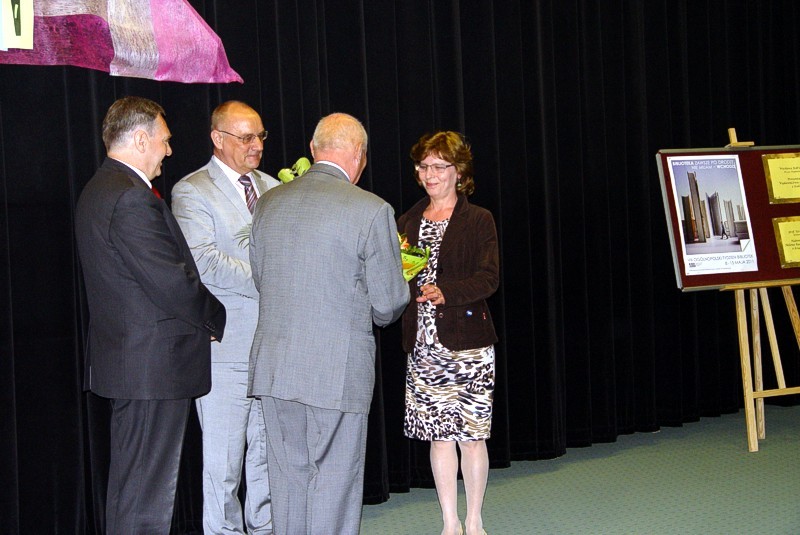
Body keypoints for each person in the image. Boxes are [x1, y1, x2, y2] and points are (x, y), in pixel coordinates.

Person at [247, 112, 410, 535]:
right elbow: (388, 303)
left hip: (275, 369)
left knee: (287, 482)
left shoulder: (268, 203)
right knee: (334, 484)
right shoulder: (371, 210)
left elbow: (261, 279)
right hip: (336, 371)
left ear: (313, 150)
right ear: (358, 154)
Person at [74, 96, 227, 534]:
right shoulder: (129, 197)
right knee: (145, 496)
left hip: (135, 365)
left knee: (134, 489)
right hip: (151, 368)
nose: (169, 150)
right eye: (164, 140)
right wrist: (215, 317)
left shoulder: (101, 188)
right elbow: (172, 281)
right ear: (141, 139)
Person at [172, 100, 278, 534]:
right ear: (218, 138)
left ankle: (266, 528)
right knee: (224, 465)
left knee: (267, 458)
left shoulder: (274, 187)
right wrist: (272, 279)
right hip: (225, 347)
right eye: (246, 137)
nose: (256, 146)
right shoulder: (192, 190)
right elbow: (203, 261)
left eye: (260, 136)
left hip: (272, 346)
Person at [396, 131, 499, 535]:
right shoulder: (407, 221)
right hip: (424, 347)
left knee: (471, 438)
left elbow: (489, 278)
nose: (430, 174)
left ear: (459, 171)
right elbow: (399, 278)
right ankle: (450, 522)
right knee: (439, 438)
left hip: (469, 346)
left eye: (439, 166)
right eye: (424, 166)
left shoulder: (479, 219)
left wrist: (446, 292)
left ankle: (474, 520)